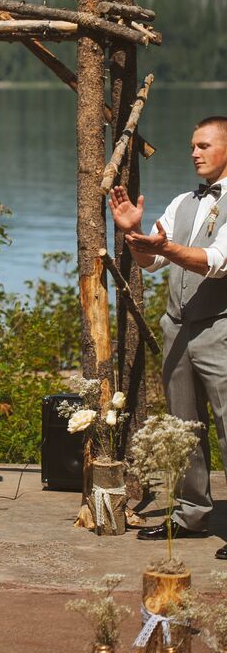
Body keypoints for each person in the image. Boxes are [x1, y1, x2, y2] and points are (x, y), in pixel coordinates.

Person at [109, 115, 227, 560]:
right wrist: (134, 236)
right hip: (177, 325)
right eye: (192, 145)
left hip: (221, 326)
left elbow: (217, 261)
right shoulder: (182, 202)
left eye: (204, 145)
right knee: (182, 426)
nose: (194, 152)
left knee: (226, 424)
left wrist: (165, 248)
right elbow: (151, 262)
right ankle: (191, 514)